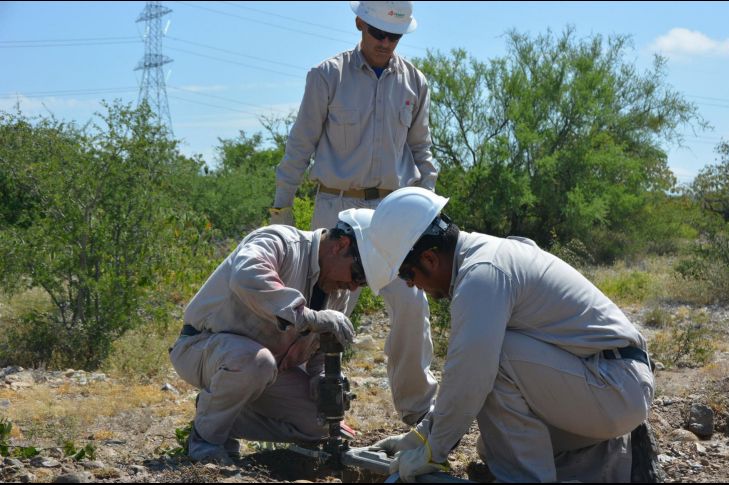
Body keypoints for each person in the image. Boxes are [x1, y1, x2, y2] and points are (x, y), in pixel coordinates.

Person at [360, 187, 656, 483]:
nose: (411, 285)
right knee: (495, 448)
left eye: (407, 274)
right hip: (611, 385)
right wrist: (420, 437)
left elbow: (470, 374)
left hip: (614, 387)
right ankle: (614, 460)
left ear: (429, 258)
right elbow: (465, 379)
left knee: (493, 360)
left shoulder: (482, 274)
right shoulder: (484, 257)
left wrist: (433, 450)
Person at [268, 1, 438, 426]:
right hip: (336, 210)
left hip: (393, 211)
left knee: (412, 303)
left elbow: (422, 151)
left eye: (394, 35)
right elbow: (300, 145)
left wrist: (426, 207)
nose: (385, 42)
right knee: (323, 312)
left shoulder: (415, 82)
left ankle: (420, 412)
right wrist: (281, 208)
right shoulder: (327, 75)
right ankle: (312, 411)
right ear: (360, 23)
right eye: (378, 32)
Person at [169, 209, 373, 464]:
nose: (354, 286)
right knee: (255, 361)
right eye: (357, 274)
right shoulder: (280, 242)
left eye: (362, 283)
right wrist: (308, 317)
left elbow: (321, 351)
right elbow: (245, 276)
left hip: (266, 369)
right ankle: (205, 440)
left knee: (321, 422)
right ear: (341, 245)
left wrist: (321, 379)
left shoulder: (338, 292)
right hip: (203, 347)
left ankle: (221, 414)